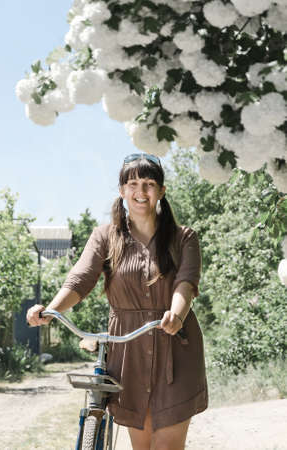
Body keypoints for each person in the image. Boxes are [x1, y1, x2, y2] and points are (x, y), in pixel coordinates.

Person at [27, 153, 208, 450]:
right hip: (128, 353)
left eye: (149, 184)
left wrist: (176, 314)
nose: (141, 191)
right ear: (122, 190)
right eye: (133, 183)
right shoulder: (105, 236)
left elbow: (185, 283)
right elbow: (80, 280)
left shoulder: (183, 238)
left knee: (165, 446)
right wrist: (51, 310)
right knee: (142, 445)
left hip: (174, 345)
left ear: (161, 191)